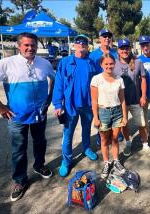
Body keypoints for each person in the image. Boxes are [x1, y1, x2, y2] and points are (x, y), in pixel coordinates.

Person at [0, 32, 54, 201]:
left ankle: (39, 166)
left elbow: (54, 79)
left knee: (40, 142)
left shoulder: (44, 63)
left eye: (33, 45)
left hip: (39, 114)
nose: (30, 48)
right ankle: (20, 180)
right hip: (17, 116)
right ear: (19, 46)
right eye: (26, 45)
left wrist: (49, 99)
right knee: (19, 149)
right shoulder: (5, 63)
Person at [52, 34, 98, 177]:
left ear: (87, 45)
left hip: (88, 105)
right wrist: (58, 104)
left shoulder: (91, 63)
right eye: (78, 42)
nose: (81, 44)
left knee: (86, 129)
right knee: (68, 134)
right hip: (71, 105)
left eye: (84, 42)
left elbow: (97, 83)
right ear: (74, 45)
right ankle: (66, 161)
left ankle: (86, 148)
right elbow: (58, 83)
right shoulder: (65, 62)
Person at [114, 38, 150, 158]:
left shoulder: (137, 62)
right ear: (118, 50)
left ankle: (145, 144)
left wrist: (143, 96)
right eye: (122, 48)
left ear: (130, 49)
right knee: (124, 124)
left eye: (126, 48)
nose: (124, 50)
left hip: (135, 100)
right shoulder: (114, 63)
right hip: (121, 102)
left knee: (141, 124)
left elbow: (143, 79)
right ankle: (128, 143)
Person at [91, 54, 127, 179]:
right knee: (104, 140)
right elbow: (94, 101)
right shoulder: (96, 79)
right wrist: (96, 117)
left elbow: (122, 99)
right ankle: (107, 162)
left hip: (117, 112)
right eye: (106, 64)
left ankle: (116, 161)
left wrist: (124, 116)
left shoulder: (119, 79)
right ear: (101, 65)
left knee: (115, 138)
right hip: (103, 113)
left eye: (111, 63)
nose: (109, 66)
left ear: (114, 64)